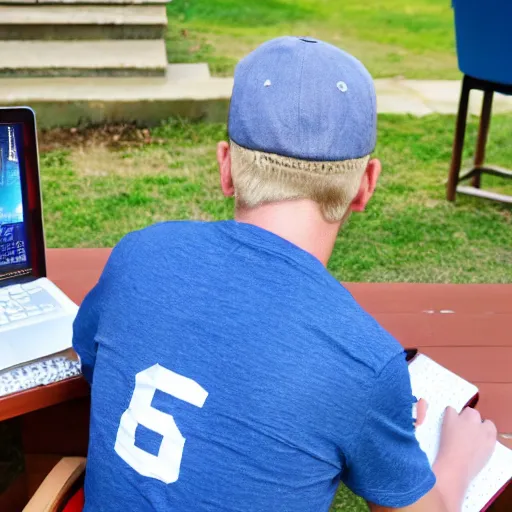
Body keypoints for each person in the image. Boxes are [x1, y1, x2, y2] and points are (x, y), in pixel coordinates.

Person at [73, 36, 497, 512]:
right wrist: (458, 457)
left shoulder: (139, 253)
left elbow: (94, 363)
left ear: (226, 167)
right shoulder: (365, 364)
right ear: (366, 185)